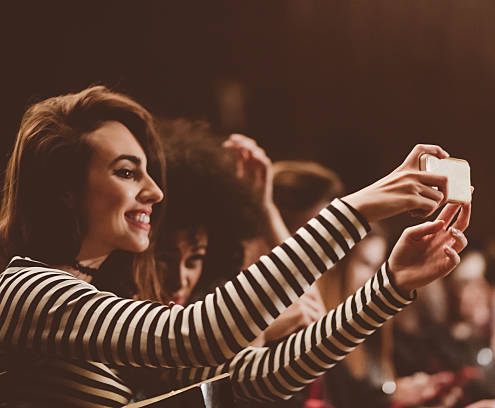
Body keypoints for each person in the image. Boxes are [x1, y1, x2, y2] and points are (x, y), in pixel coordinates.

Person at [0, 85, 469, 407]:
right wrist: (358, 208)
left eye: (147, 171)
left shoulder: (91, 300)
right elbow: (197, 335)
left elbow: (263, 377)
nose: (154, 192)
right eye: (126, 172)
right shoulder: (25, 290)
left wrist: (388, 287)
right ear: (64, 189)